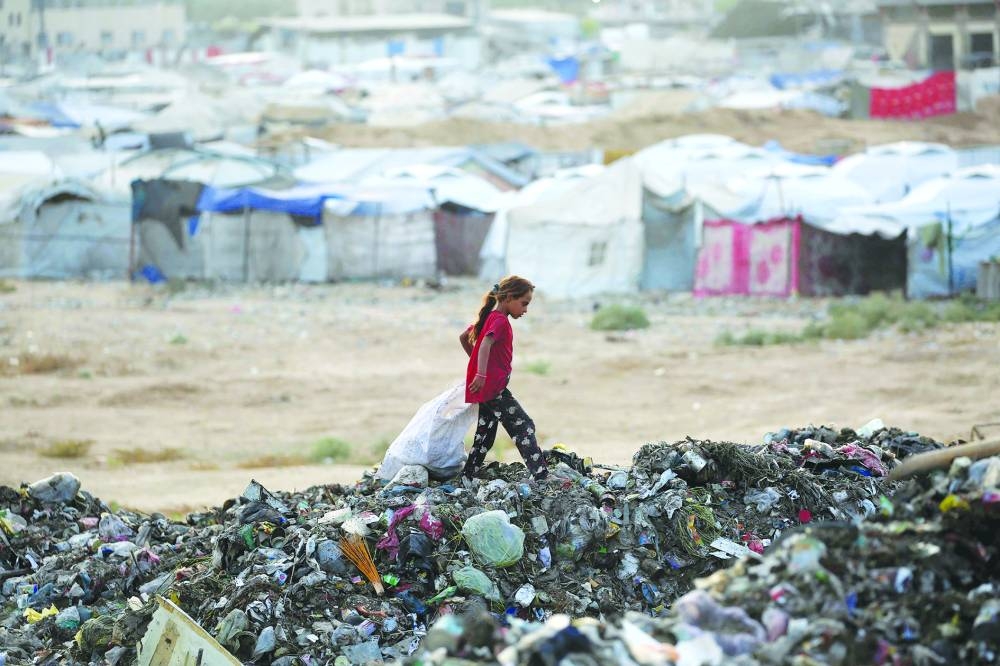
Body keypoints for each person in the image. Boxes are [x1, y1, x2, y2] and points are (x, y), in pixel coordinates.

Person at [459, 276, 548, 482]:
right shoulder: (498, 321)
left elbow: (464, 337)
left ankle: (469, 474)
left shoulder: (490, 317)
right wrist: (481, 373)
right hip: (492, 389)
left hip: (489, 389)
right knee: (523, 425)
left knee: (485, 433)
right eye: (524, 303)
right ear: (508, 298)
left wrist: (477, 367)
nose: (525, 310)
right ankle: (541, 475)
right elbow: (485, 344)